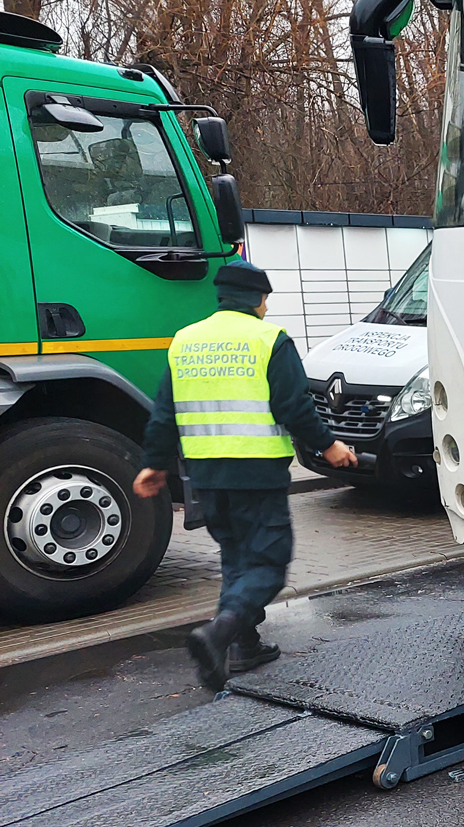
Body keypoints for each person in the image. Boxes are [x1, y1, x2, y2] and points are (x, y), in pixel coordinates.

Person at [135, 261, 355, 690]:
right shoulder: (269, 339)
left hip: (205, 474)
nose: (267, 307)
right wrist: (329, 446)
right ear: (257, 298)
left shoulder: (185, 341)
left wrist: (154, 464)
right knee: (268, 564)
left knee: (236, 559)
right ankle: (218, 634)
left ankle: (243, 645)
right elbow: (294, 406)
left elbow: (164, 412)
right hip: (256, 472)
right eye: (266, 300)